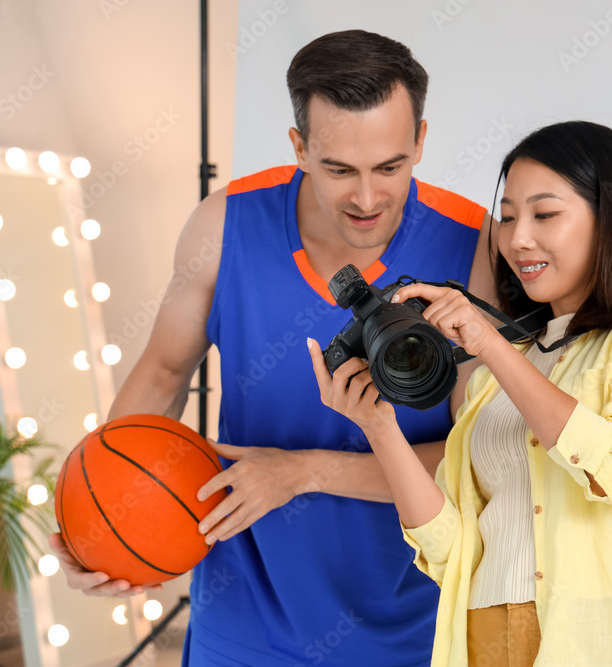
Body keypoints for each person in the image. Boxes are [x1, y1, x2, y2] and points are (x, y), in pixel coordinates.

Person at [49, 30, 496, 665]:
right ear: (299, 148)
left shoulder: (475, 248)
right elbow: (163, 373)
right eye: (339, 169)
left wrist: (302, 472)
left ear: (420, 140)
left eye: (390, 167)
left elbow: (477, 458)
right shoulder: (222, 225)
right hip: (242, 618)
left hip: (410, 627)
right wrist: (95, 524)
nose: (367, 198)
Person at [309, 121, 612, 666]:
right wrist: (379, 427)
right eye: (507, 216)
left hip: (595, 640)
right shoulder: (498, 372)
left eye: (545, 214)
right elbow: (452, 553)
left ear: (611, 218)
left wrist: (488, 342)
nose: (516, 238)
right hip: (481, 637)